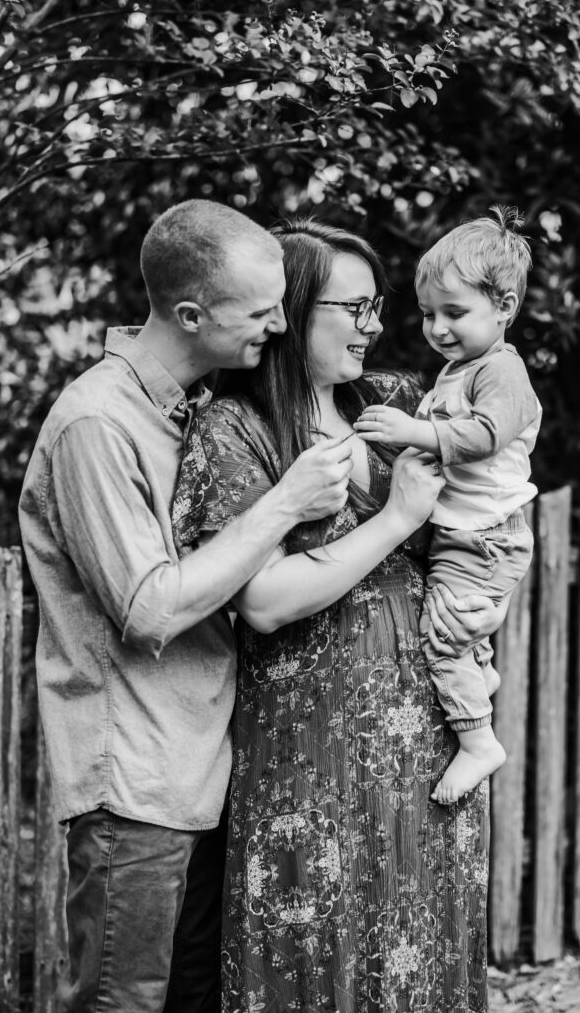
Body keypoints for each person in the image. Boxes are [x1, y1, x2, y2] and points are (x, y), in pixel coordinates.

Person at [18, 200, 363, 1013]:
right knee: (120, 1002)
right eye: (260, 309)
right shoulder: (97, 425)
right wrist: (281, 506)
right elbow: (151, 608)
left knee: (192, 998)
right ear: (189, 314)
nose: (280, 325)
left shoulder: (190, 413)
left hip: (203, 770)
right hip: (134, 782)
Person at [172, 217, 509, 1012]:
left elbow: (490, 483)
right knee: (311, 947)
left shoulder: (396, 403)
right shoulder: (237, 429)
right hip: (305, 742)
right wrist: (392, 521)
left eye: (375, 307)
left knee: (422, 940)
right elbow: (261, 601)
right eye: (353, 309)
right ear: (292, 309)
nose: (375, 326)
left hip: (430, 733)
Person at [354, 206, 542, 805]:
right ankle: (477, 672)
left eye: (455, 313)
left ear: (505, 307)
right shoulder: (459, 369)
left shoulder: (502, 373)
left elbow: (484, 436)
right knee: (458, 629)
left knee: (441, 638)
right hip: (471, 534)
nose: (437, 328)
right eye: (431, 313)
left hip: (483, 538)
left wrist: (415, 432)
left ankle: (478, 739)